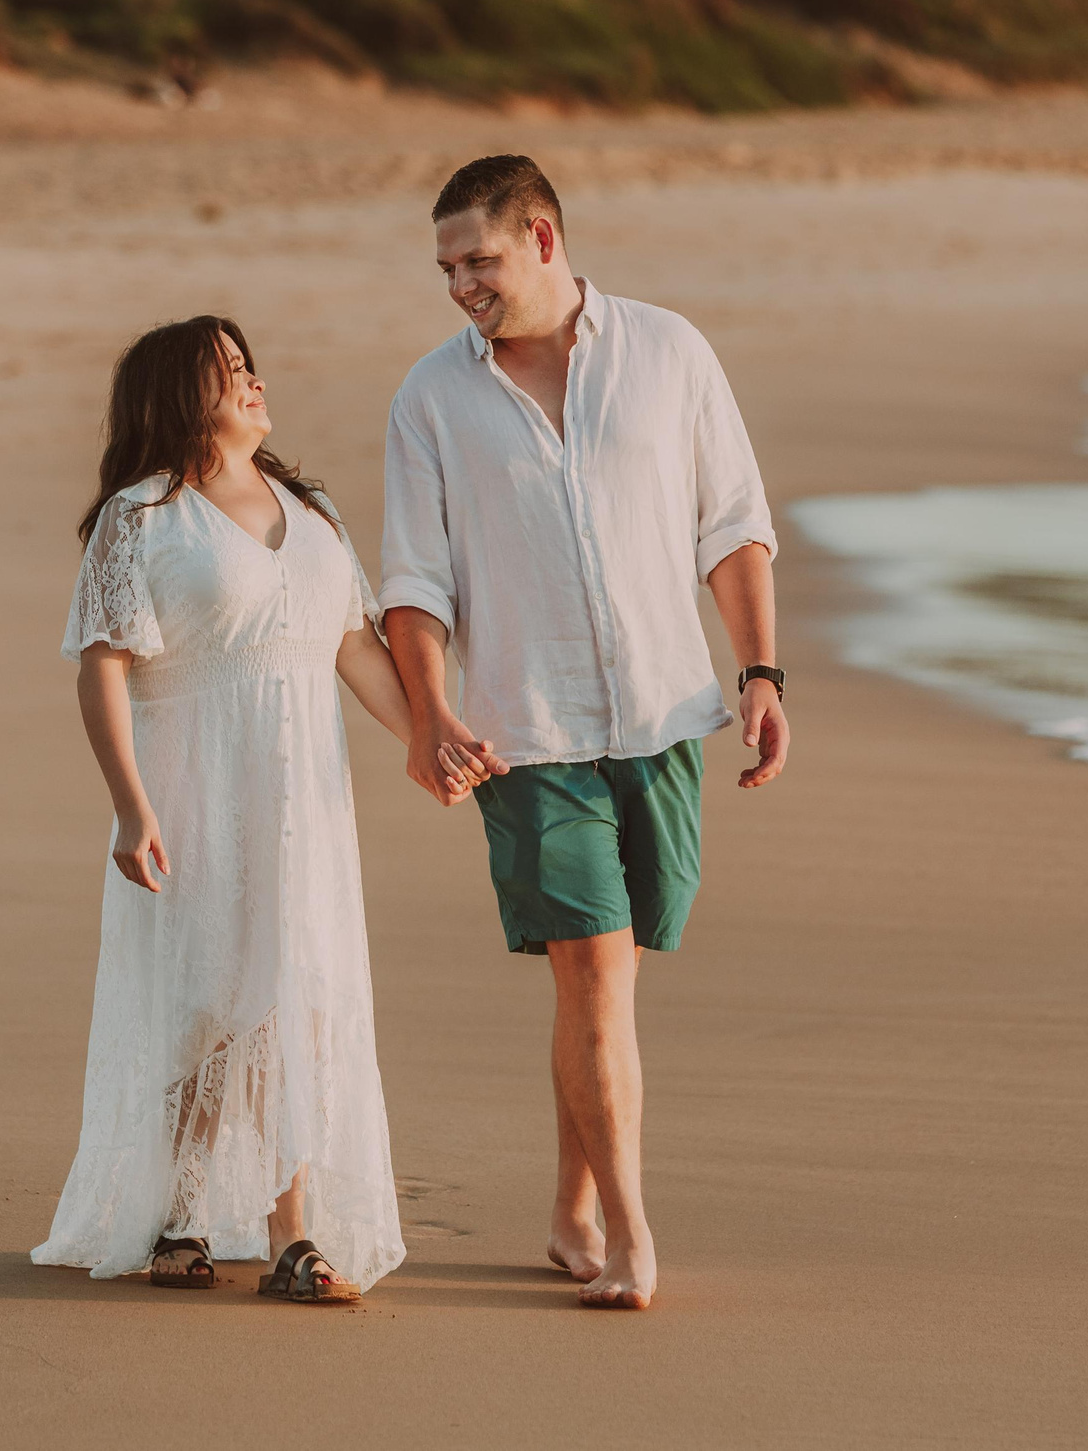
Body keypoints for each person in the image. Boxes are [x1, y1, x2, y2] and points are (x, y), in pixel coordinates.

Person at [381, 155, 787, 1311]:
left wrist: (758, 673)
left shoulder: (670, 353)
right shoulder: (431, 399)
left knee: (606, 978)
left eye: (481, 260)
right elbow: (412, 578)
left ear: (544, 239)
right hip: (524, 732)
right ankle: (628, 1232)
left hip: (663, 713)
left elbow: (733, 524)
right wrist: (432, 713)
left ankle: (569, 1197)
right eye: (448, 267)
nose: (462, 284)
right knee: (593, 972)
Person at [34, 316, 416, 1304]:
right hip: (198, 779)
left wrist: (430, 738)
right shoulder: (145, 514)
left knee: (299, 997)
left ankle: (293, 1236)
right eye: (227, 372)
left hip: (305, 797)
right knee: (210, 1001)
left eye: (250, 366)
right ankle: (184, 1212)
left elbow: (354, 650)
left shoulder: (312, 506)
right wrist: (131, 806)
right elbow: (104, 664)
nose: (251, 382)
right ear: (176, 395)